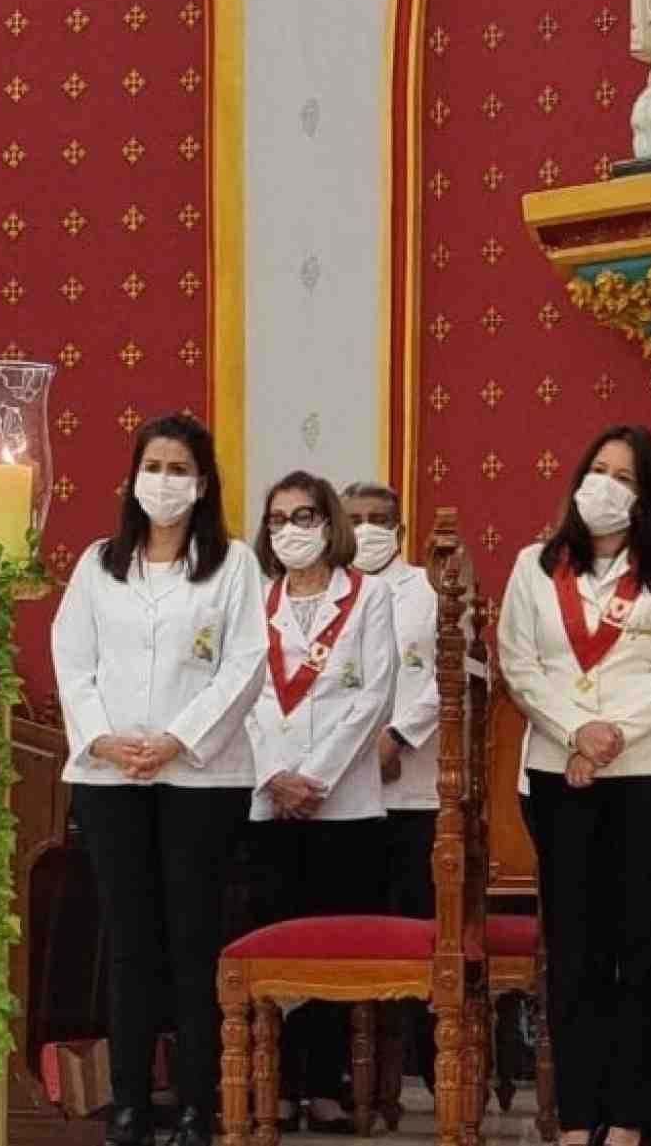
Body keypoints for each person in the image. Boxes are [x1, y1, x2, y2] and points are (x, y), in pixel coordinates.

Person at [499, 425, 651, 1146]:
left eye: (625, 477)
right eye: (598, 470)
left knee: (639, 942)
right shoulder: (533, 567)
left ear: (648, 493)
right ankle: (575, 1117)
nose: (606, 486)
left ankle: (630, 1117)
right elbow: (520, 663)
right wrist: (574, 731)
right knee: (573, 948)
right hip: (558, 771)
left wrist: (610, 734)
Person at [51, 414, 267, 1146]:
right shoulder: (97, 563)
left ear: (201, 484)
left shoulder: (232, 563)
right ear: (132, 477)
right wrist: (105, 738)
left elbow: (244, 665)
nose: (164, 482)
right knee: (129, 940)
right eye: (153, 466)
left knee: (191, 938)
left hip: (199, 780)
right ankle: (129, 1102)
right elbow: (71, 657)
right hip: (108, 777)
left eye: (179, 469)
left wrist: (175, 739)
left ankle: (197, 1106)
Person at [248, 471, 397, 1132]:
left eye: (303, 516)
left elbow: (375, 696)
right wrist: (275, 774)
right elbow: (242, 695)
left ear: (328, 522)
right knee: (274, 942)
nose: (290, 529)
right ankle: (276, 1082)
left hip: (343, 802)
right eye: (277, 518)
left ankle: (326, 1082)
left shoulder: (367, 597)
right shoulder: (253, 599)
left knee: (333, 949)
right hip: (268, 800)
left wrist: (315, 777)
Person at [342, 480, 442, 1100]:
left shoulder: (429, 592)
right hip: (340, 798)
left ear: (401, 530)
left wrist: (397, 737)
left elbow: (458, 672)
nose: (367, 530)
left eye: (380, 519)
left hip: (416, 797)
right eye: (354, 518)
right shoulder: (322, 592)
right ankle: (349, 1081)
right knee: (348, 938)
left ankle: (434, 1072)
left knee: (418, 939)